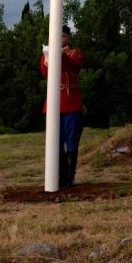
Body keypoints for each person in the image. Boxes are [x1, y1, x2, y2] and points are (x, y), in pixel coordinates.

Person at [40, 25, 85, 188]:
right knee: (55, 143)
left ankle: (69, 176)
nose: (60, 39)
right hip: (53, 105)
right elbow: (45, 73)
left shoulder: (76, 52)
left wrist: (58, 54)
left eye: (63, 36)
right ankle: (58, 176)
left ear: (68, 38)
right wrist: (48, 57)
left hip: (71, 104)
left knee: (72, 142)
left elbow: (73, 66)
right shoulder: (47, 54)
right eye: (56, 36)